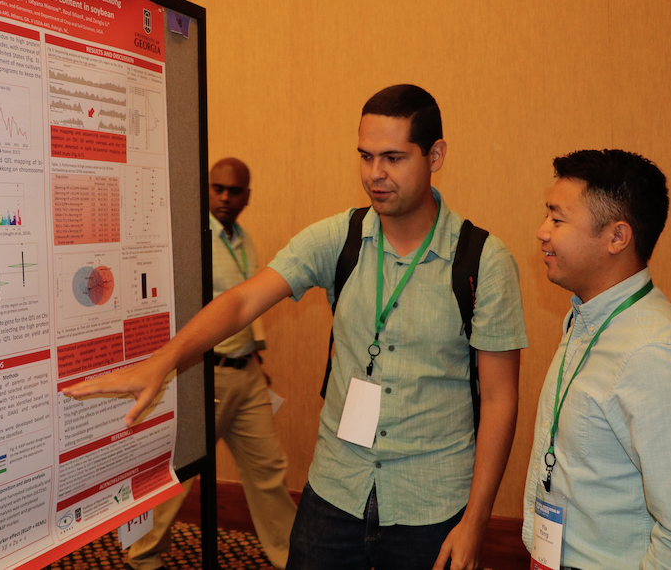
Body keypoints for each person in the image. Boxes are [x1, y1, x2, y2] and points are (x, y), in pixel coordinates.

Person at [65, 84, 528, 570]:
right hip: (337, 488)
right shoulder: (339, 238)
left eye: (393, 157)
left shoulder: (483, 261)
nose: (375, 174)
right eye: (366, 156)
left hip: (432, 503)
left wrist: (476, 521)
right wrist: (163, 361)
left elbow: (500, 399)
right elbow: (243, 301)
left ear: (435, 155)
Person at [522, 149, 671, 569]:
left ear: (617, 237)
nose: (542, 232)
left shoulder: (656, 356)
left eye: (558, 219)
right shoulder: (589, 319)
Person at [126, 157, 297, 570]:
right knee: (182, 476)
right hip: (208, 376)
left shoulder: (243, 239)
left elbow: (241, 305)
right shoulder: (192, 239)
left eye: (233, 190)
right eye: (217, 188)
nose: (223, 197)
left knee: (270, 471)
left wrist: (255, 352)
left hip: (247, 375)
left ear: (246, 196)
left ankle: (295, 558)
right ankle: (142, 557)